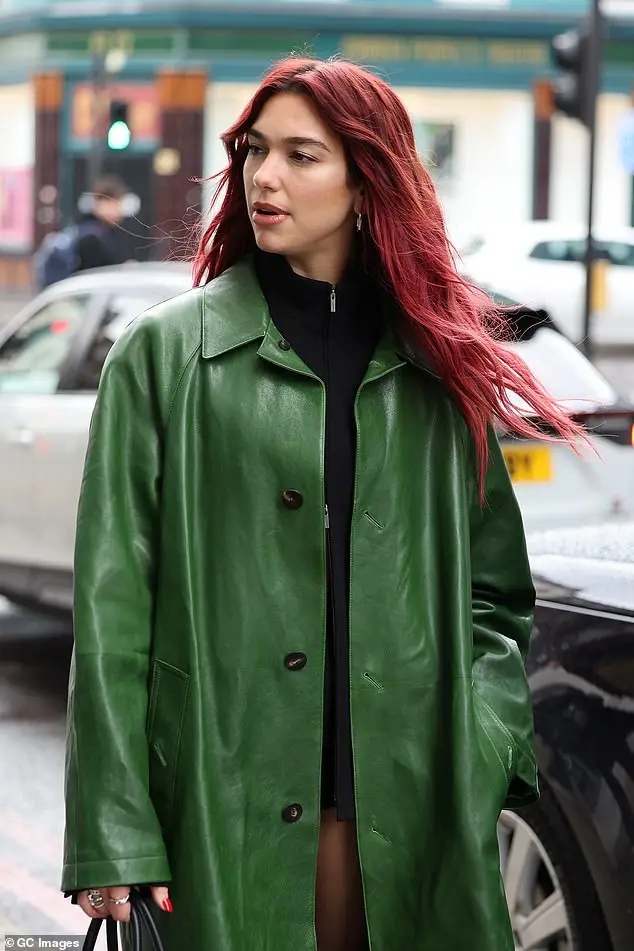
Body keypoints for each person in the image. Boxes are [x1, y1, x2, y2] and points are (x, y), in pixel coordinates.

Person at [60, 58, 585, 951]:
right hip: (219, 806)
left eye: (302, 155)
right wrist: (114, 825)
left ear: (367, 181)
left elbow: (495, 597)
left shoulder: (438, 363)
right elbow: (112, 614)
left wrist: (484, 745)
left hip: (408, 812)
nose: (264, 177)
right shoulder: (165, 357)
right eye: (256, 151)